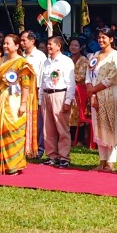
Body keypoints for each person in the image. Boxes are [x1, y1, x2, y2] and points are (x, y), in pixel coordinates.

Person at [0, 34, 35, 175]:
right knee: (0, 129)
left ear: (16, 46)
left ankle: (14, 165)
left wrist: (23, 104)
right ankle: (0, 164)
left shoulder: (22, 62)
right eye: (4, 43)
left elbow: (26, 85)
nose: (5, 46)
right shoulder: (2, 60)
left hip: (14, 101)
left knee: (14, 130)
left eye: (8, 43)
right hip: (1, 99)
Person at [37, 33, 76, 168]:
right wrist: (40, 99)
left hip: (60, 94)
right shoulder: (46, 62)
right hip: (46, 94)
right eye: (47, 44)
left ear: (58, 46)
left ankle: (64, 157)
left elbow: (70, 82)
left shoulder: (66, 61)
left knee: (62, 128)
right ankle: (52, 156)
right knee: (48, 128)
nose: (48, 47)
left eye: (51, 44)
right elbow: (42, 81)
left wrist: (68, 100)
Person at [88, 27, 117, 169]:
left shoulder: (116, 56)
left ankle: (110, 161)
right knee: (98, 126)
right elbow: (88, 75)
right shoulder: (95, 55)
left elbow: (113, 77)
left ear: (111, 39)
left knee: (110, 126)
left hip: (110, 94)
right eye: (99, 37)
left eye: (104, 37)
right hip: (95, 95)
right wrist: (92, 94)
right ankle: (102, 160)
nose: (101, 40)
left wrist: (94, 90)